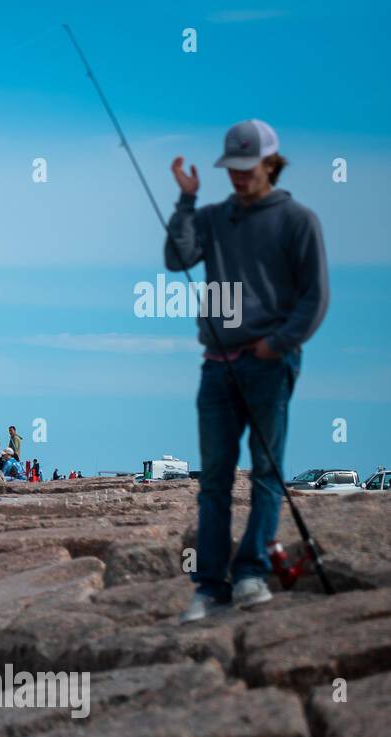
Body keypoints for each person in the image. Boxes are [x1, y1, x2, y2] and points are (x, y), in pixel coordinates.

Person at [167, 120, 329, 624]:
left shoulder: (298, 220)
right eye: (232, 167)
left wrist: (276, 344)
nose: (238, 175)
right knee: (214, 479)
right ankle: (210, 587)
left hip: (270, 365)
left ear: (270, 164)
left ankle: (251, 574)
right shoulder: (213, 217)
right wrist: (186, 201)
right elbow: (177, 257)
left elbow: (316, 297)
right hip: (216, 367)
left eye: (247, 166)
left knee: (266, 471)